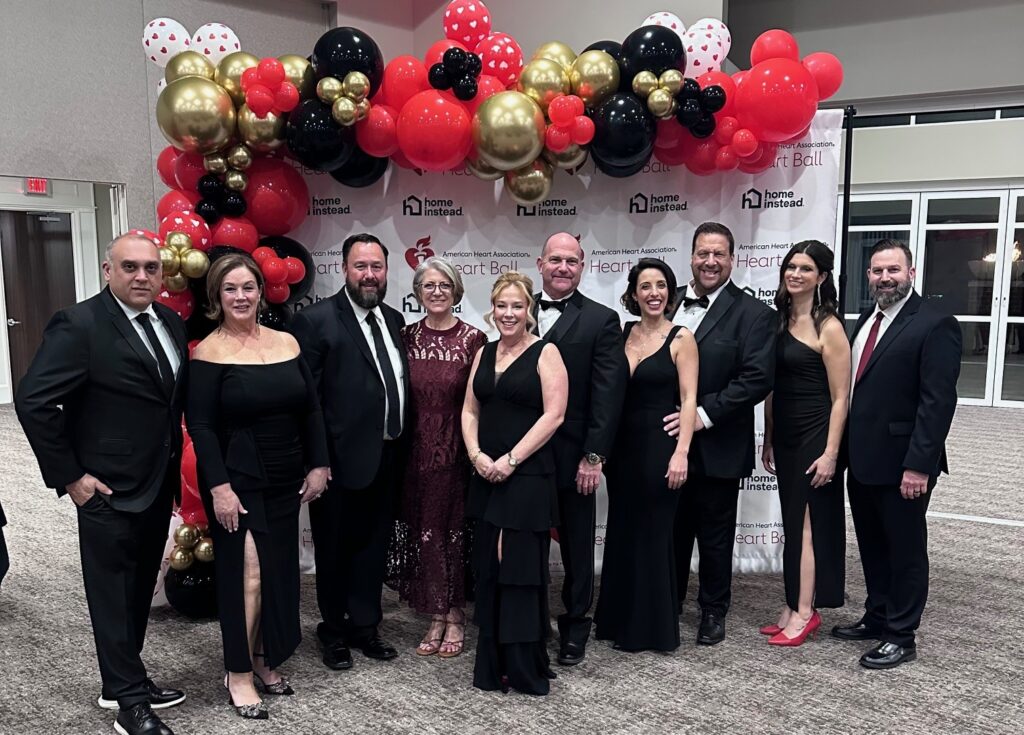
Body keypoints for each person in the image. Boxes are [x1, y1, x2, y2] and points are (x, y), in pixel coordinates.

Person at [15, 233, 188, 735]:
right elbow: (33, 402)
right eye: (130, 267)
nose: (141, 276)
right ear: (108, 271)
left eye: (151, 268)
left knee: (136, 590)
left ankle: (124, 678)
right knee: (111, 592)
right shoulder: (80, 324)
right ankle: (129, 703)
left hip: (157, 481)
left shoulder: (170, 322)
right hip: (104, 488)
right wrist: (70, 476)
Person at [186, 254, 330, 718]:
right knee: (247, 574)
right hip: (239, 477)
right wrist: (219, 488)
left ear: (260, 292)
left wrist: (318, 465)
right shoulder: (208, 352)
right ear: (216, 297)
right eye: (230, 289)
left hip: (288, 473)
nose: (241, 296)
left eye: (248, 287)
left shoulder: (287, 343)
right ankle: (239, 672)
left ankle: (267, 658)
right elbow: (202, 427)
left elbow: (310, 410)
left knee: (279, 572)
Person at [833, 238, 961, 669]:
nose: (884, 277)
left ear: (911, 273)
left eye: (893, 270)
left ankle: (901, 634)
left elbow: (937, 402)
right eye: (876, 270)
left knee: (904, 550)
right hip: (864, 458)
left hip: (905, 463)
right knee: (872, 544)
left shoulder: (935, 322)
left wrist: (919, 466)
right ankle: (877, 615)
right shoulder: (867, 320)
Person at [290, 233, 409, 671]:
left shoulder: (395, 320)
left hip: (388, 457)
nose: (369, 275)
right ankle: (334, 631)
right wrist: (317, 462)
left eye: (376, 266)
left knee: (373, 547)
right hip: (337, 464)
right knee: (335, 550)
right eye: (361, 266)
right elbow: (308, 403)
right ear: (344, 269)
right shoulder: (316, 321)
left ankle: (366, 626)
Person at [666, 221, 777, 645]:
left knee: (714, 536)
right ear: (691, 257)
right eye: (702, 253)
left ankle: (713, 610)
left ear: (732, 260)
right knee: (670, 530)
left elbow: (756, 379)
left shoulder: (755, 315)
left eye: (718, 254)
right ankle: (668, 601)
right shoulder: (666, 301)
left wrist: (702, 415)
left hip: (718, 444)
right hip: (664, 442)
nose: (709, 261)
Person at [462, 271, 568, 695]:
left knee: (518, 568)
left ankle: (523, 665)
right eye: (502, 305)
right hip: (487, 474)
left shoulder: (546, 353)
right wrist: (476, 455)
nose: (509, 313)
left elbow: (554, 415)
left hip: (526, 476)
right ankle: (494, 662)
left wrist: (510, 460)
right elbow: (470, 410)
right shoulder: (483, 353)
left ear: (529, 311)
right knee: (490, 567)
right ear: (493, 309)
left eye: (517, 306)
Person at [532, 232, 628, 666]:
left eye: (572, 260)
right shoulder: (517, 309)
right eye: (556, 259)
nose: (563, 267)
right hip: (523, 455)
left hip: (575, 458)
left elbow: (608, 395)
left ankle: (574, 627)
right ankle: (528, 624)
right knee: (525, 544)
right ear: (540, 263)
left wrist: (595, 456)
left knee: (576, 548)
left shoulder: (602, 319)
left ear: (583, 266)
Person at [594, 259, 698, 652]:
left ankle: (649, 629)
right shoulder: (621, 334)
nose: (653, 293)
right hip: (621, 452)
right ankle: (616, 621)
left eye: (660, 286)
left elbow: (689, 399)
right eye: (645, 286)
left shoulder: (682, 338)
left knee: (654, 536)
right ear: (633, 294)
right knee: (622, 532)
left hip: (661, 449)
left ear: (670, 293)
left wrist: (682, 452)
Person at [389, 257, 486, 658]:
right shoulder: (405, 336)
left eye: (445, 285)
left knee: (453, 534)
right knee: (426, 533)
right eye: (429, 286)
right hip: (414, 451)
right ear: (417, 293)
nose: (437, 292)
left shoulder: (474, 338)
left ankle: (456, 614)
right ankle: (435, 613)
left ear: (457, 291)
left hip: (458, 450)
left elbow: (480, 400)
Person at [760, 242, 850, 647]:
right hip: (787, 433)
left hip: (817, 433)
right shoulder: (779, 319)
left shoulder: (828, 325)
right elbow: (772, 387)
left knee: (809, 526)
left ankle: (805, 611)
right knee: (792, 523)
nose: (795, 274)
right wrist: (769, 436)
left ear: (822, 277)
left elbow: (841, 397)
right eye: (791, 267)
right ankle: (793, 601)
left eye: (806, 268)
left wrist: (831, 453)